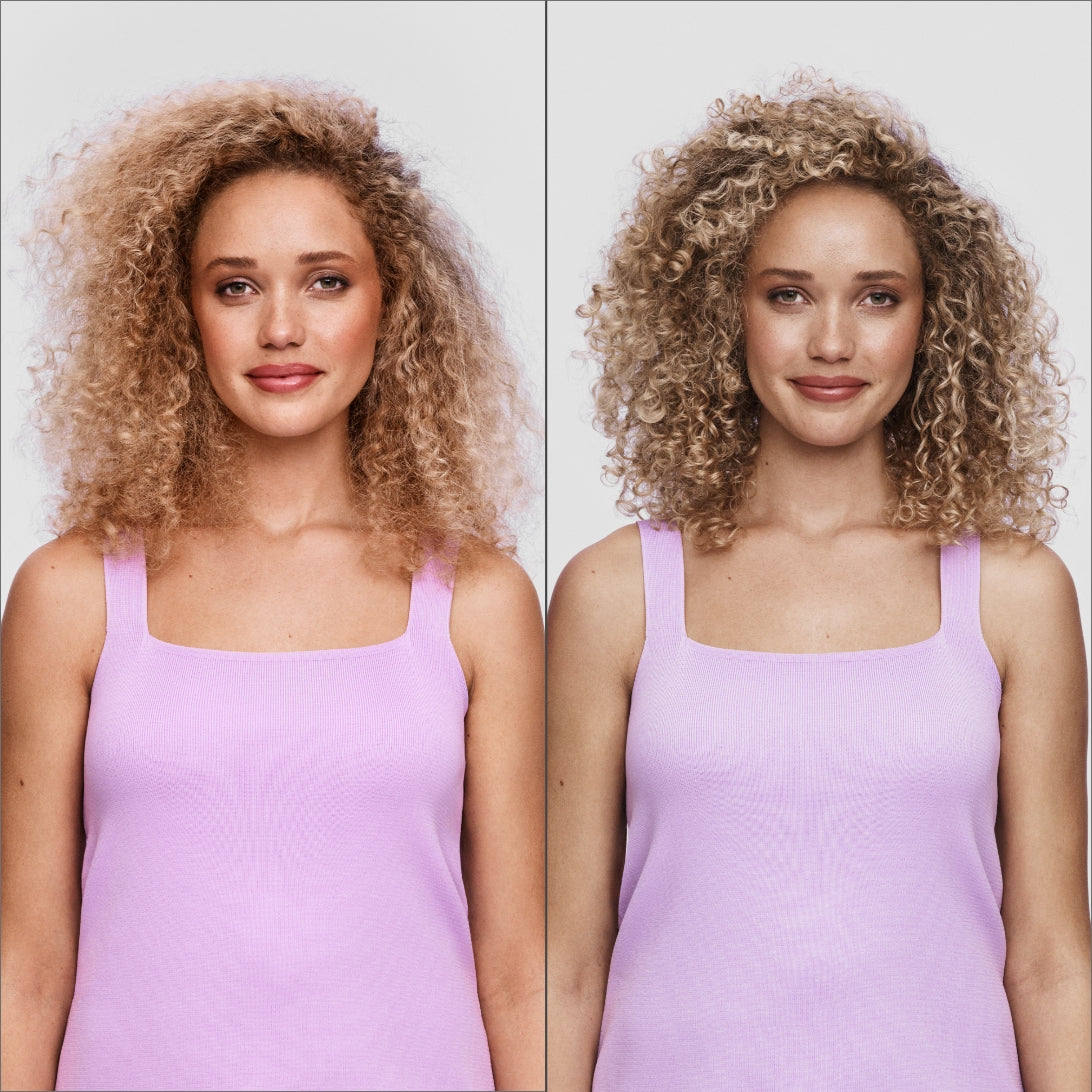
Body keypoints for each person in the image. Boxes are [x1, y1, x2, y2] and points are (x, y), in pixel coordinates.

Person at [547, 75, 1089, 1091]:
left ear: (936, 322)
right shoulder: (612, 595)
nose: (832, 343)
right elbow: (567, 968)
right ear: (726, 312)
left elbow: (1053, 960)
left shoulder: (1017, 595)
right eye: (787, 294)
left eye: (877, 298)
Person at [1, 79, 544, 1092]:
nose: (281, 327)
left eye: (327, 281)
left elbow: (517, 975)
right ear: (181, 316)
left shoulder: (480, 601)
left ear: (393, 306)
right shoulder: (71, 594)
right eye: (236, 286)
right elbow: (26, 968)